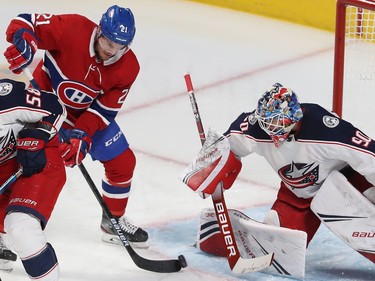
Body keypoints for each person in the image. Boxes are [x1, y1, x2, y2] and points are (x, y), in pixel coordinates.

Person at [3, 5, 148, 248]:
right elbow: (25, 21)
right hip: (42, 104)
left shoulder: (129, 67)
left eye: (119, 46)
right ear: (99, 30)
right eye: (108, 41)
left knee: (123, 162)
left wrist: (82, 135)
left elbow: (104, 110)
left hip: (82, 117)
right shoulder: (72, 28)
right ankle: (1, 232)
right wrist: (24, 42)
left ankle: (112, 220)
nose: (111, 50)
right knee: (20, 162)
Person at [181, 82, 375, 264]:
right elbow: (227, 144)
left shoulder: (325, 129)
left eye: (275, 123)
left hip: (346, 182)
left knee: (368, 232)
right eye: (266, 122)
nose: (269, 129)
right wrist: (208, 169)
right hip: (297, 194)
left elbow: (370, 156)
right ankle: (217, 233)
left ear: (292, 116)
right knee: (277, 253)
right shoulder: (256, 127)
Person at [0, 78, 67, 280]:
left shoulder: (6, 98)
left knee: (20, 226)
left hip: (35, 161)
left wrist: (37, 134)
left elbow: (54, 106)